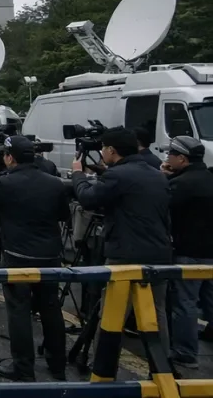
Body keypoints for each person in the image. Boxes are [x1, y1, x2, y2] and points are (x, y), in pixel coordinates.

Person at [72, 127, 173, 363]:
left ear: (111, 150)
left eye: (103, 148)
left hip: (126, 255)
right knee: (156, 314)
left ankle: (103, 369)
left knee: (112, 314)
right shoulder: (156, 173)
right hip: (159, 252)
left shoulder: (117, 176)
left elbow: (87, 199)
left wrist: (78, 174)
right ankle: (162, 367)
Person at [0, 136, 70, 382]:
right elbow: (62, 215)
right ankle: (58, 364)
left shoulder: (6, 184)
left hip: (18, 256)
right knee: (51, 310)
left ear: (9, 157)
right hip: (49, 256)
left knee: (19, 311)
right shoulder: (55, 183)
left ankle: (23, 367)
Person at [162, 135, 213, 369]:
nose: (167, 158)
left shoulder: (181, 185)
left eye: (170, 155)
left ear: (182, 158)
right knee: (209, 300)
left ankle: (185, 352)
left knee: (185, 303)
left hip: (188, 251)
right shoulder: (207, 178)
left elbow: (165, 210)